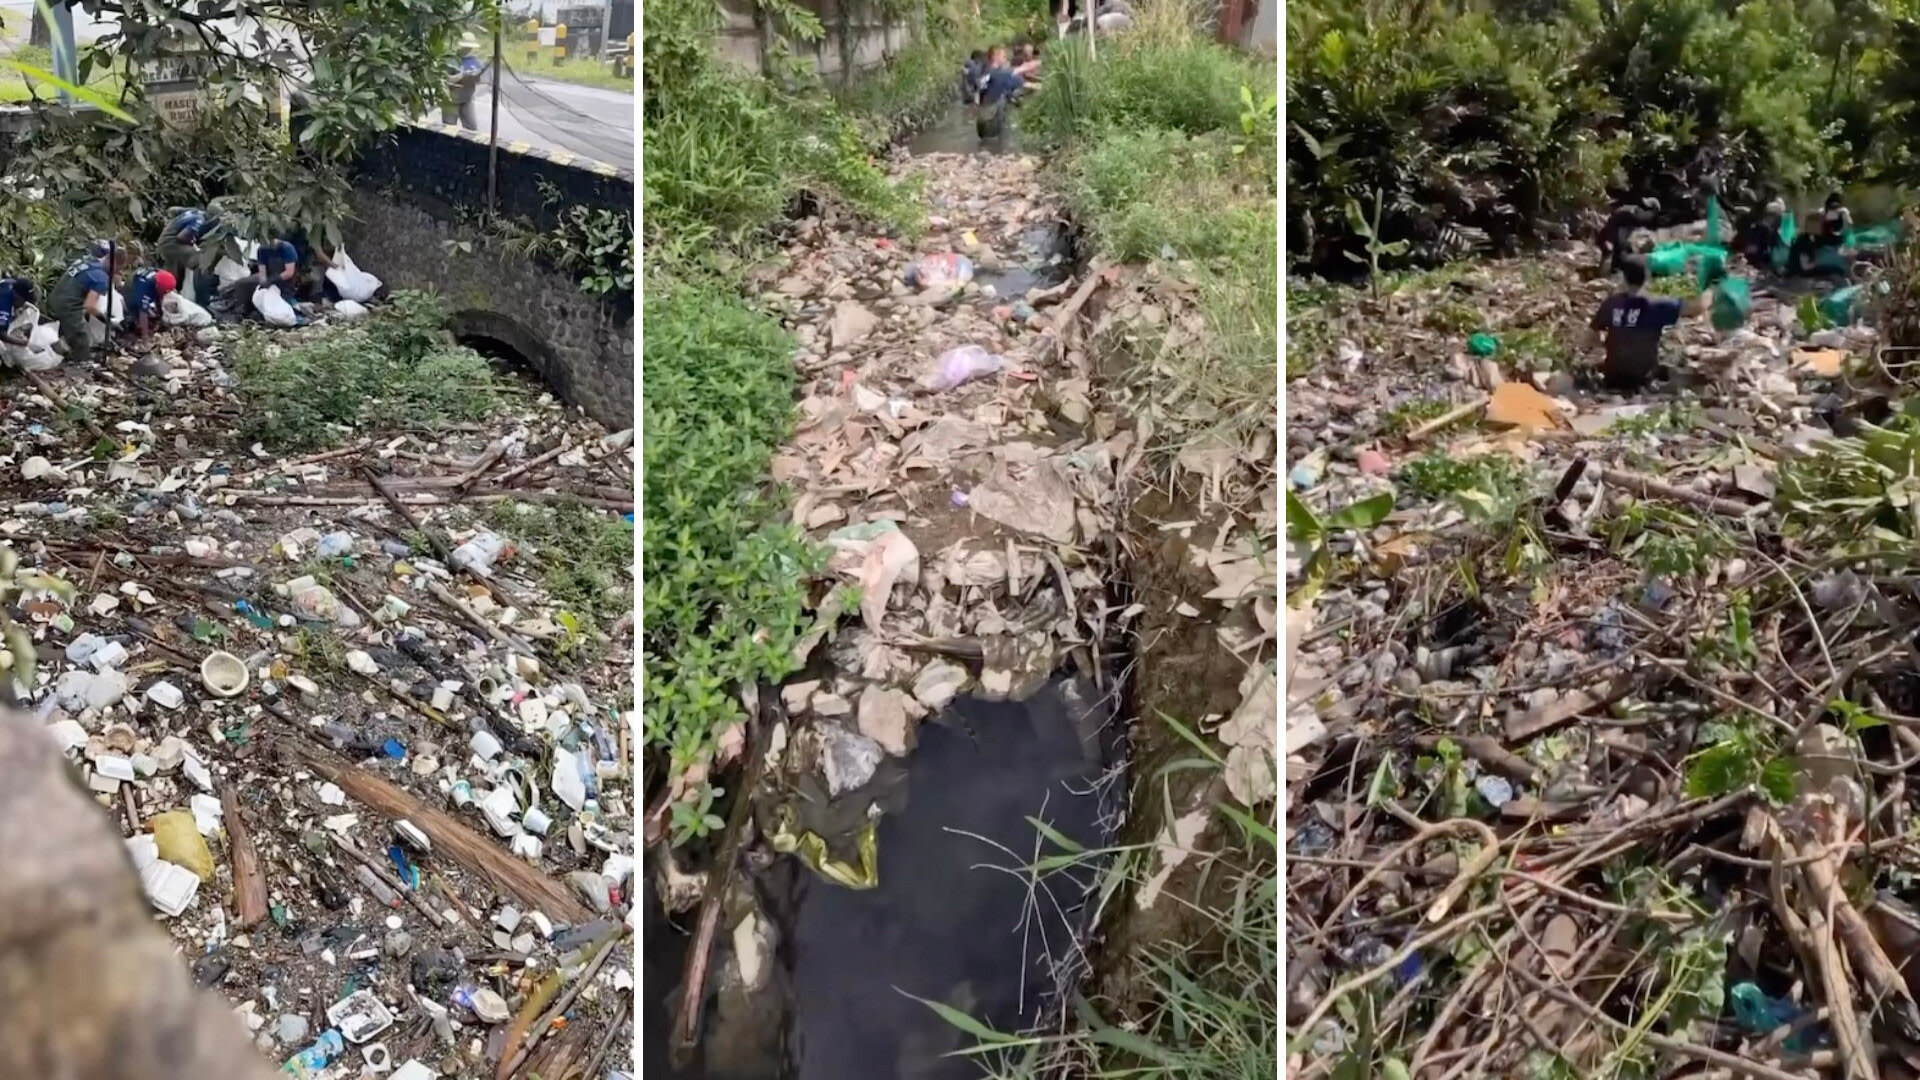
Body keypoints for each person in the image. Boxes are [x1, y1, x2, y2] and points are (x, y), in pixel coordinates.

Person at [1584, 254, 1710, 390]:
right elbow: (1696, 307)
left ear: (1624, 277)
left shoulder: (1611, 303)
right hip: (1643, 380)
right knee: (1674, 367)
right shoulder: (1657, 304)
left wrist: (1608, 343)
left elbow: (1587, 339)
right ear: (1647, 277)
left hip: (1614, 378)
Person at [44, 245, 126, 359]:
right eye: (118, 269)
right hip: (68, 305)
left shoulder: (87, 261)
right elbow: (90, 307)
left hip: (54, 297)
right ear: (115, 263)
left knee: (68, 335)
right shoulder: (101, 277)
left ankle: (55, 352)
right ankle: (81, 366)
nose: (117, 273)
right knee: (81, 340)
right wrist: (108, 321)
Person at [1597, 197, 1658, 276]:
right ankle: (1612, 272)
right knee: (1619, 249)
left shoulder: (1638, 217)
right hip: (1609, 239)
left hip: (1614, 236)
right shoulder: (1626, 214)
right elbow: (1617, 239)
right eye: (1643, 206)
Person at [976, 46, 1026, 140]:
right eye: (1004, 57)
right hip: (993, 121)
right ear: (995, 57)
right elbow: (1020, 82)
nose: (1006, 59)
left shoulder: (984, 73)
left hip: (981, 121)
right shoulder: (1001, 74)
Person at [443, 36, 485, 131]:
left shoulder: (474, 61)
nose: (467, 49)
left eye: (469, 47)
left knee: (472, 128)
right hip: (451, 100)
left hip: (467, 98)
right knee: (448, 130)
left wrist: (475, 76)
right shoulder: (450, 60)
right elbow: (446, 80)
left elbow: (480, 79)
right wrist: (461, 75)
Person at [127, 268, 175, 343]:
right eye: (163, 292)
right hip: (132, 286)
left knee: (156, 301)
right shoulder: (145, 287)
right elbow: (143, 311)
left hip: (148, 281)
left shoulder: (162, 276)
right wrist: (145, 337)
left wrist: (160, 314)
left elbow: (160, 296)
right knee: (134, 309)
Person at [0, 276, 36, 345]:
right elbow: (2, 334)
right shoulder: (4, 305)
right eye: (24, 300)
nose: (24, 303)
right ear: (16, 296)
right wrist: (24, 343)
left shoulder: (11, 283)